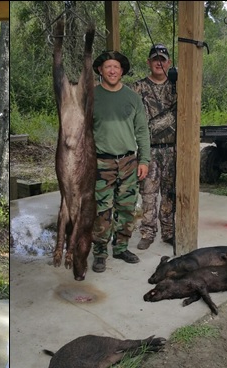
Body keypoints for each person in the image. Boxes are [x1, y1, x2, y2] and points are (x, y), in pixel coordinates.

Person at [90, 50, 150, 273]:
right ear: (100, 70)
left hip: (128, 162)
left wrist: (144, 160)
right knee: (101, 211)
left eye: (116, 67)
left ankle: (121, 247)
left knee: (126, 208)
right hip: (100, 163)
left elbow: (142, 131)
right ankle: (99, 253)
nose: (112, 71)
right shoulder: (91, 97)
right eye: (108, 67)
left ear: (122, 71)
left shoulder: (132, 98)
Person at [131, 44, 177, 250]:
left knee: (170, 193)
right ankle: (148, 232)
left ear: (169, 63)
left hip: (172, 149)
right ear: (148, 62)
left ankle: (169, 232)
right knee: (148, 194)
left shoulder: (177, 87)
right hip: (148, 150)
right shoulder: (137, 88)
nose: (159, 63)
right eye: (155, 59)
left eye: (163, 59)